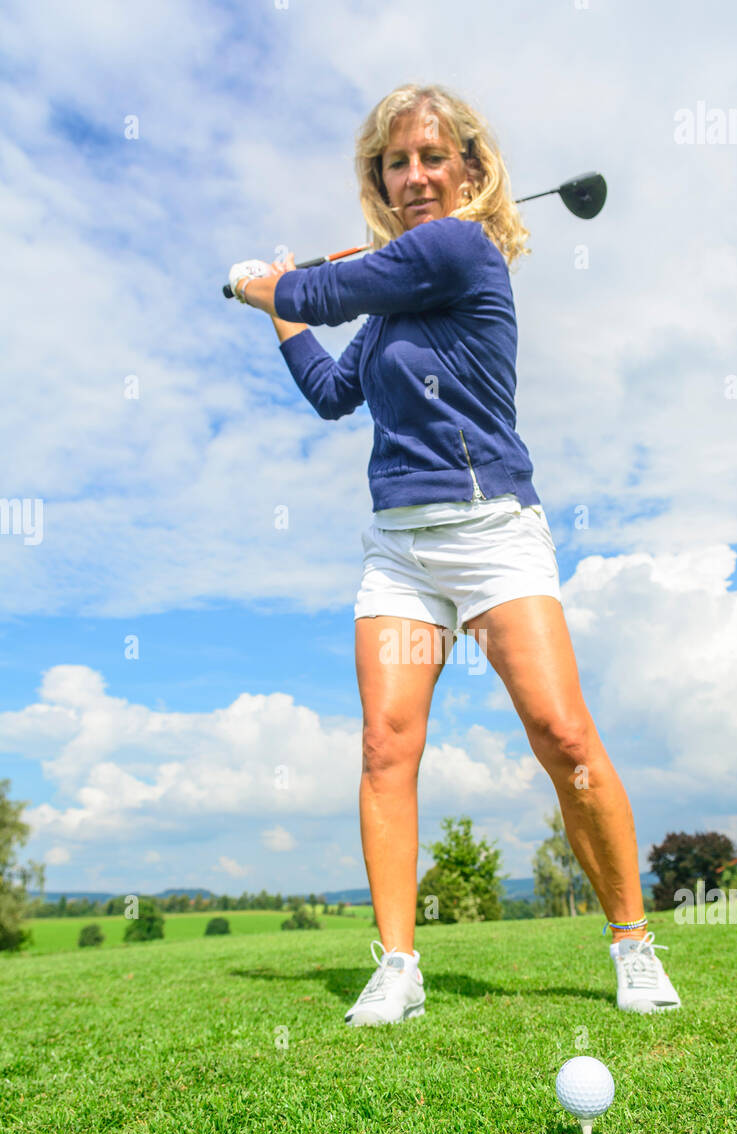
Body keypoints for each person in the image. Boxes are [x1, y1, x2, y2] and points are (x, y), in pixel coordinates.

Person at [229, 82, 681, 1024]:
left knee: (563, 737)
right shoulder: (393, 304)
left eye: (436, 157)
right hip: (399, 548)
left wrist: (264, 283)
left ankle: (633, 944)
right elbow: (330, 390)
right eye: (398, 162)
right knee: (387, 747)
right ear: (381, 180)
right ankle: (398, 964)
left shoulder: (462, 249)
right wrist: (283, 320)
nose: (418, 173)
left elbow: (326, 286)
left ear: (472, 171)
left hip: (492, 533)